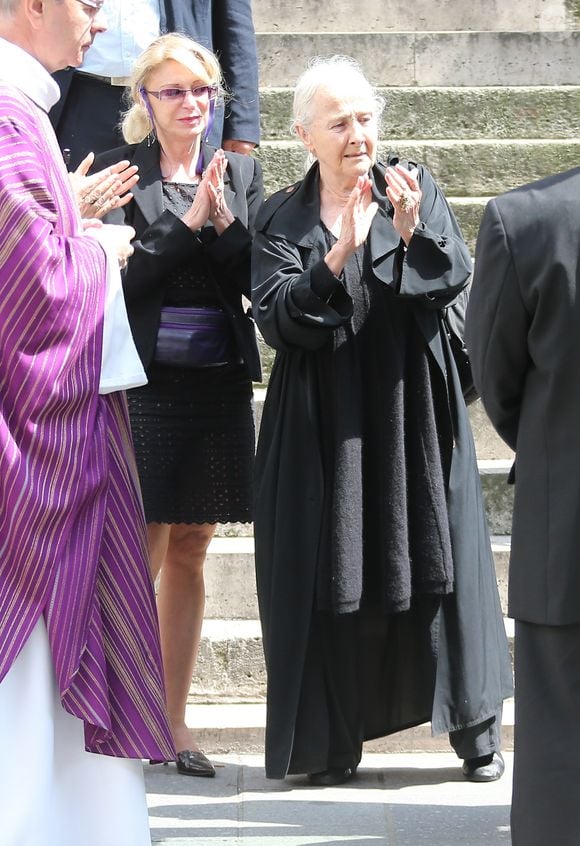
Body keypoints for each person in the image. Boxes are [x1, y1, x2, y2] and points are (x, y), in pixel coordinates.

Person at [250, 55, 513, 786]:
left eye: (366, 118)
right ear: (306, 135)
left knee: (444, 557)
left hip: (412, 411)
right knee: (324, 566)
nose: (357, 134)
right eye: (339, 122)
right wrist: (340, 253)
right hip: (322, 421)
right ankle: (327, 746)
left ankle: (475, 732)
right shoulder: (279, 215)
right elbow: (278, 319)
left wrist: (408, 229)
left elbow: (453, 275)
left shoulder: (413, 186)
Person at [0, 0, 175, 844]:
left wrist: (69, 222)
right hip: (31, 461)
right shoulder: (8, 117)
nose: (99, 16)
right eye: (84, 1)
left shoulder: (25, 111)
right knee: (32, 701)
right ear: (34, 5)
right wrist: (97, 249)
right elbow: (34, 298)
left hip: (51, 435)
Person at [93, 32, 263, 779]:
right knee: (147, 545)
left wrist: (225, 223)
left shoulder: (244, 174)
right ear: (145, 102)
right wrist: (187, 221)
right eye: (173, 91)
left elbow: (261, 275)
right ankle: (128, 712)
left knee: (194, 543)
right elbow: (123, 283)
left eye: (200, 90)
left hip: (218, 381)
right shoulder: (125, 176)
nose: (190, 104)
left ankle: (173, 719)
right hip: (149, 383)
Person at [465, 169, 580, 845]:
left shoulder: (526, 220)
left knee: (561, 754)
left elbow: (499, 379)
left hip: (565, 519)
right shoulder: (524, 219)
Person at [50, 0, 260, 168]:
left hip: (174, 96)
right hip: (80, 97)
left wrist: (242, 122)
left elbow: (234, 22)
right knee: (76, 206)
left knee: (178, 210)